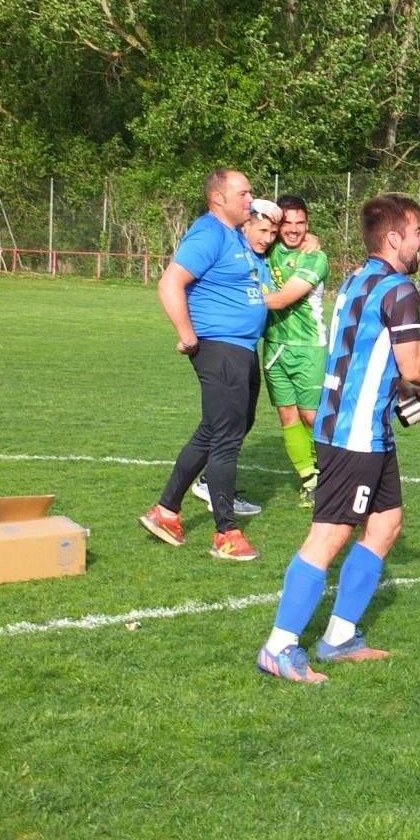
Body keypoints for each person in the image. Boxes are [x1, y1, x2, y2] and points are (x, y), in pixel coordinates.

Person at [255, 193, 420, 683]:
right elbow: (414, 364)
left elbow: (367, 353)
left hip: (362, 429)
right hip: (354, 434)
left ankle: (338, 637)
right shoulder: (400, 288)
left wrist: (399, 389)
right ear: (394, 238)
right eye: (417, 232)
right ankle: (278, 646)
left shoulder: (357, 277)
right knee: (329, 535)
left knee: (386, 524)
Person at [139, 168, 268, 562]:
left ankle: (166, 511)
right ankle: (226, 533)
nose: (250, 200)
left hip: (241, 349)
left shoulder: (235, 234)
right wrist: (188, 336)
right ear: (218, 199)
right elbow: (169, 283)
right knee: (226, 437)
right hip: (219, 348)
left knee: (218, 429)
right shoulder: (209, 233)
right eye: (243, 194)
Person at [259, 194, 330, 507]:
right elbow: (246, 220)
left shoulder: (315, 257)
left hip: (308, 347)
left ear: (308, 225)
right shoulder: (268, 248)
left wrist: (235, 301)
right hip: (274, 345)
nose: (294, 229)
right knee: (287, 414)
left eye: (301, 223)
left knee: (312, 416)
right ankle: (310, 481)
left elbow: (281, 300)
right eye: (288, 223)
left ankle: (336, 473)